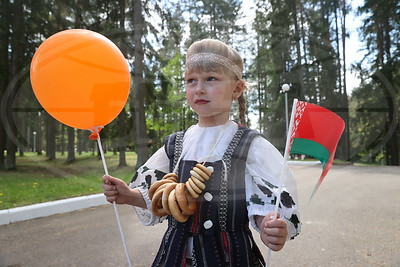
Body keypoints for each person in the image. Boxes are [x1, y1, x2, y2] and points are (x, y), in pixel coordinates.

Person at [101, 39, 301, 266]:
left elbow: (262, 202)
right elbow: (158, 198)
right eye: (191, 81)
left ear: (236, 88)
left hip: (230, 257)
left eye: (211, 79)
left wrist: (268, 226)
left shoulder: (250, 145)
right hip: (175, 257)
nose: (199, 89)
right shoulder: (176, 143)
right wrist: (129, 195)